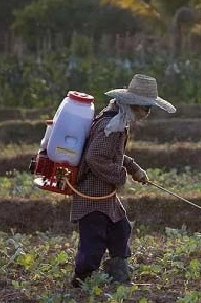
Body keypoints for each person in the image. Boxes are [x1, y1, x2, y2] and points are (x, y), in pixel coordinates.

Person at [70, 74, 176, 287]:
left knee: (120, 228)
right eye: (146, 108)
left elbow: (113, 155)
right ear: (133, 104)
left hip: (104, 195)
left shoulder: (118, 121)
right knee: (93, 240)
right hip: (92, 194)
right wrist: (120, 175)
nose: (147, 113)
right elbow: (94, 157)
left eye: (149, 108)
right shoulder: (110, 125)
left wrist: (133, 167)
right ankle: (82, 282)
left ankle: (118, 276)